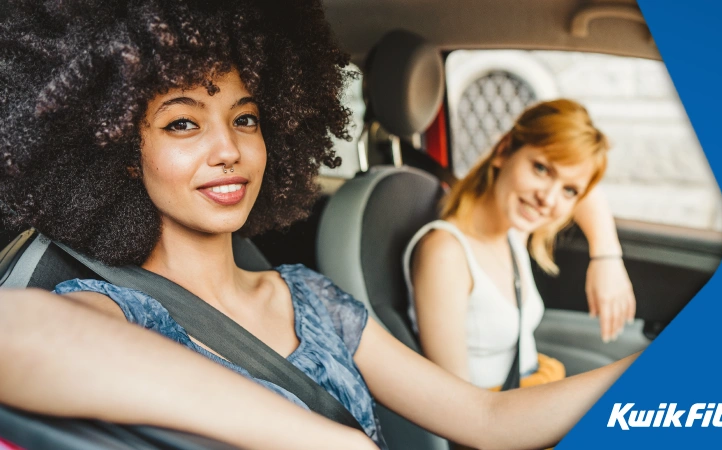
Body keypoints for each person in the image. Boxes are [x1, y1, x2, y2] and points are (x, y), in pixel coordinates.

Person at [0, 1, 637, 449]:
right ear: (121, 155)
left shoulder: (312, 299)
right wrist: (327, 442)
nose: (230, 150)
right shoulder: (120, 311)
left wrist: (652, 370)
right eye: (183, 123)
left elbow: (488, 418)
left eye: (245, 119)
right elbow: (18, 334)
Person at [404, 100, 635, 393]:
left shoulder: (514, 232)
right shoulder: (446, 253)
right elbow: (456, 409)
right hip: (496, 420)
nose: (549, 199)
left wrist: (607, 257)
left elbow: (589, 189)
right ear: (503, 150)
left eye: (568, 191)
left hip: (533, 391)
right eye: (541, 169)